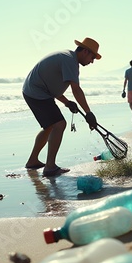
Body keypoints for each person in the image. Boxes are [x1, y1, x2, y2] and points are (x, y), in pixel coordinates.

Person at [22, 37, 100, 177]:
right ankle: (50, 167)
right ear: (85, 52)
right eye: (92, 57)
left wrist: (66, 102)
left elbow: (52, 85)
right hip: (37, 92)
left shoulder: (68, 58)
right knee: (59, 124)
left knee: (50, 126)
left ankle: (33, 161)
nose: (92, 61)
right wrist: (88, 113)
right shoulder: (70, 61)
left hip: (34, 91)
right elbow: (76, 89)